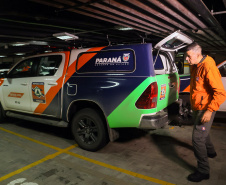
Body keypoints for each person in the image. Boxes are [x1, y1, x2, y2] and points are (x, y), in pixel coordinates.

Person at [185, 42, 226, 182]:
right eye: (186, 56)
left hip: (206, 107)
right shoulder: (196, 65)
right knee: (203, 132)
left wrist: (209, 111)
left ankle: (203, 171)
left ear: (198, 54)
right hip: (198, 106)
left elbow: (220, 93)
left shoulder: (208, 67)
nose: (186, 59)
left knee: (197, 138)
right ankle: (211, 152)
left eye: (189, 56)